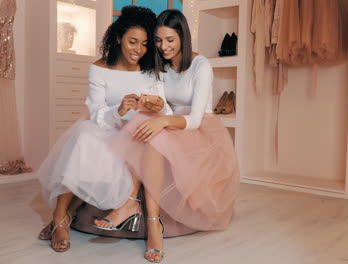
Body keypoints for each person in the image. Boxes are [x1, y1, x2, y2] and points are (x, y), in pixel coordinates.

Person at [110, 9, 240, 263]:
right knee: (142, 122)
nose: (163, 46)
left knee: (153, 132)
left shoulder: (201, 66)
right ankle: (146, 216)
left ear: (183, 37)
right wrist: (156, 107)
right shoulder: (162, 66)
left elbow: (195, 119)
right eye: (158, 41)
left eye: (170, 40)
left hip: (198, 127)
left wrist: (164, 120)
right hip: (173, 121)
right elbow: (167, 108)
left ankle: (141, 214)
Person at [37, 6, 169, 252]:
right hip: (107, 127)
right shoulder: (99, 68)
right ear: (118, 38)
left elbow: (165, 110)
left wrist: (161, 105)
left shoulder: (151, 69)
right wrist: (117, 111)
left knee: (138, 135)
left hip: (137, 132)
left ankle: (66, 216)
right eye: (132, 42)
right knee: (83, 137)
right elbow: (96, 111)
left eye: (144, 44)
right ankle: (60, 215)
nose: (138, 50)